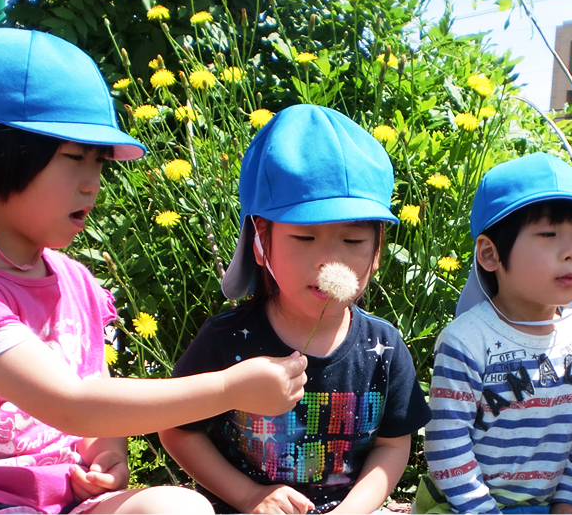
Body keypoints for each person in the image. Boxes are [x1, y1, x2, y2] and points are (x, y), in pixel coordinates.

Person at [0, 28, 308, 515]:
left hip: (62, 500)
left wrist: (106, 452)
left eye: (99, 163)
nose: (91, 185)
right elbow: (69, 402)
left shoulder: (76, 282)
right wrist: (229, 389)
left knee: (178, 507)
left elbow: (94, 395)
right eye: (73, 159)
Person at [158, 104, 432, 515]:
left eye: (354, 241)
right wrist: (249, 496)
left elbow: (393, 445)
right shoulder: (227, 340)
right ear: (259, 240)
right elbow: (177, 429)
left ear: (377, 252)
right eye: (304, 237)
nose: (327, 260)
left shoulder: (385, 347)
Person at [416, 152, 572, 515]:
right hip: (463, 506)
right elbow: (446, 446)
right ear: (490, 254)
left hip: (548, 504)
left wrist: (568, 499)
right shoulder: (467, 341)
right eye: (549, 234)